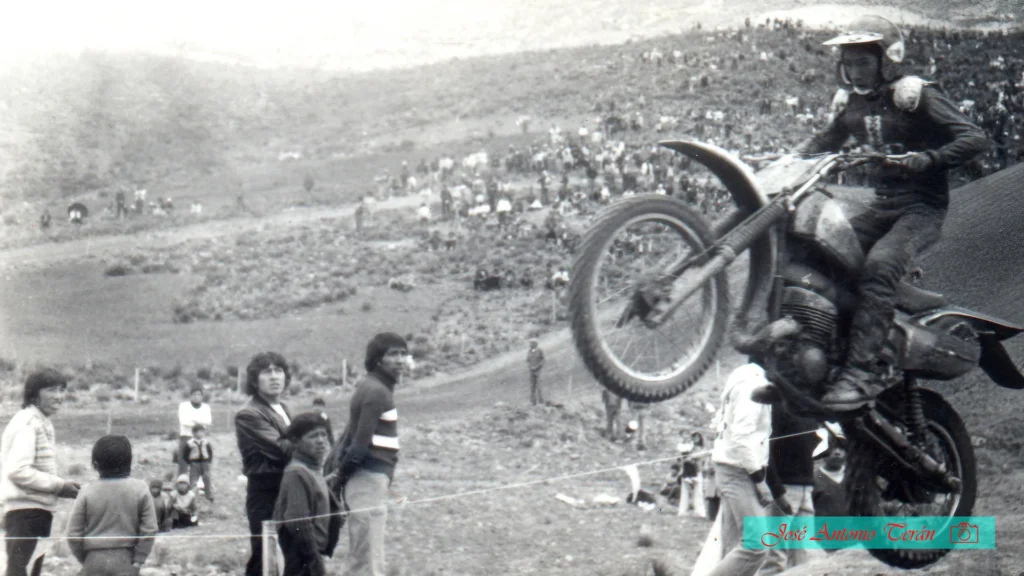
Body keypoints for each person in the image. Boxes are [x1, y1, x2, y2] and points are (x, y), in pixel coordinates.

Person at [793, 15, 990, 410]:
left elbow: (975, 137)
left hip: (922, 209)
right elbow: (823, 142)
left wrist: (930, 158)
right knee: (822, 251)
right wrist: (787, 160)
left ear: (887, 59)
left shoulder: (914, 95)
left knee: (880, 265)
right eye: (848, 63)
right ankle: (822, 353)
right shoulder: (851, 103)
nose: (854, 70)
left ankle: (861, 373)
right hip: (881, 206)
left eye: (863, 61)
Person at [327, 332, 408, 576]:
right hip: (366, 480)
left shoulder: (376, 387)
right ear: (377, 359)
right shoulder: (376, 391)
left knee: (367, 558)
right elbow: (360, 446)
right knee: (365, 562)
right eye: (393, 354)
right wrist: (339, 478)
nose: (401, 359)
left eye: (404, 353)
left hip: (371, 481)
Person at [1, 369, 81, 576]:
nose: (59, 396)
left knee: (27, 571)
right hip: (25, 513)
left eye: (62, 390)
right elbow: (18, 470)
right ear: (34, 393)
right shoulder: (29, 423)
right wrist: (58, 485)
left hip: (34, 511)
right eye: (51, 390)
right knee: (20, 572)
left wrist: (60, 486)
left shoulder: (40, 421)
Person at [705, 363, 780, 576]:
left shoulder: (743, 377)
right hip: (738, 470)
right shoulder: (753, 385)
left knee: (733, 546)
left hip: (734, 467)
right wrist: (759, 480)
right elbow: (741, 436)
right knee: (756, 546)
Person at [235, 351, 295, 576]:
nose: (274, 377)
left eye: (278, 371)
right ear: (253, 380)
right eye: (266, 372)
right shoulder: (248, 414)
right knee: (264, 558)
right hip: (266, 492)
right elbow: (283, 449)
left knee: (288, 555)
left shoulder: (284, 408)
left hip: (287, 488)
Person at [66, 435, 158, 575]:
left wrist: (85, 559)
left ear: (95, 464)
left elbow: (73, 534)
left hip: (93, 560)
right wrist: (139, 560)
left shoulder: (86, 490)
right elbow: (149, 529)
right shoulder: (140, 489)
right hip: (126, 560)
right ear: (129, 462)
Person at [273, 413, 343, 576]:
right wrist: (315, 562)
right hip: (302, 558)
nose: (321, 440)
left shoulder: (312, 470)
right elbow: (298, 522)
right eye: (313, 436)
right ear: (296, 442)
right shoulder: (297, 472)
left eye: (324, 435)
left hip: (311, 555)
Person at [757, 410, 819, 575]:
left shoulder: (810, 409)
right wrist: (777, 491)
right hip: (784, 488)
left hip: (806, 487)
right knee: (775, 556)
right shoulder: (778, 407)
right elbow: (765, 451)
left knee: (803, 554)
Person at [177, 385, 212, 476]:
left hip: (201, 438)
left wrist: (193, 421)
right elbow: (184, 421)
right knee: (183, 461)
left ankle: (200, 484)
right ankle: (182, 482)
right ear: (190, 396)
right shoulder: (184, 406)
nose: (196, 396)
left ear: (202, 396)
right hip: (186, 436)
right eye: (194, 394)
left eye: (199, 394)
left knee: (201, 461)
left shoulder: (206, 407)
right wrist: (200, 423)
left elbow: (208, 421)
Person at [186, 424, 215, 502]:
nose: (202, 434)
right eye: (200, 432)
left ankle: (209, 495)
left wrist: (209, 460)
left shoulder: (206, 442)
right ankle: (192, 496)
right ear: (194, 433)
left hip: (205, 462)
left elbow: (210, 451)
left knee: (207, 478)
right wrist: (189, 462)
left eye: (203, 432)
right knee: (193, 479)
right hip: (194, 463)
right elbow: (186, 453)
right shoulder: (190, 443)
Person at [527, 340, 545, 406]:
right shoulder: (529, 351)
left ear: (535, 344)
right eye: (530, 344)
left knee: (539, 386)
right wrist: (530, 367)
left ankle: (541, 401)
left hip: (538, 371)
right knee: (532, 387)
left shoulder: (540, 351)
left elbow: (543, 360)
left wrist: (537, 367)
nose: (530, 345)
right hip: (531, 371)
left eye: (531, 344)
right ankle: (533, 402)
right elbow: (528, 360)